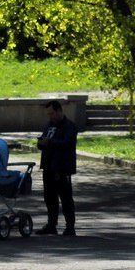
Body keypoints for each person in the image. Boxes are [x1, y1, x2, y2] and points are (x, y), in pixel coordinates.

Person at [36, 100, 78, 236]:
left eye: (52, 113)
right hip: (49, 165)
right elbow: (44, 140)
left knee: (65, 198)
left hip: (62, 167)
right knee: (49, 197)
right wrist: (41, 142)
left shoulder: (69, 126)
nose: (50, 116)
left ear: (59, 111)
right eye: (48, 114)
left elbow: (67, 143)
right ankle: (51, 224)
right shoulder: (50, 125)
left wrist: (50, 142)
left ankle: (70, 226)